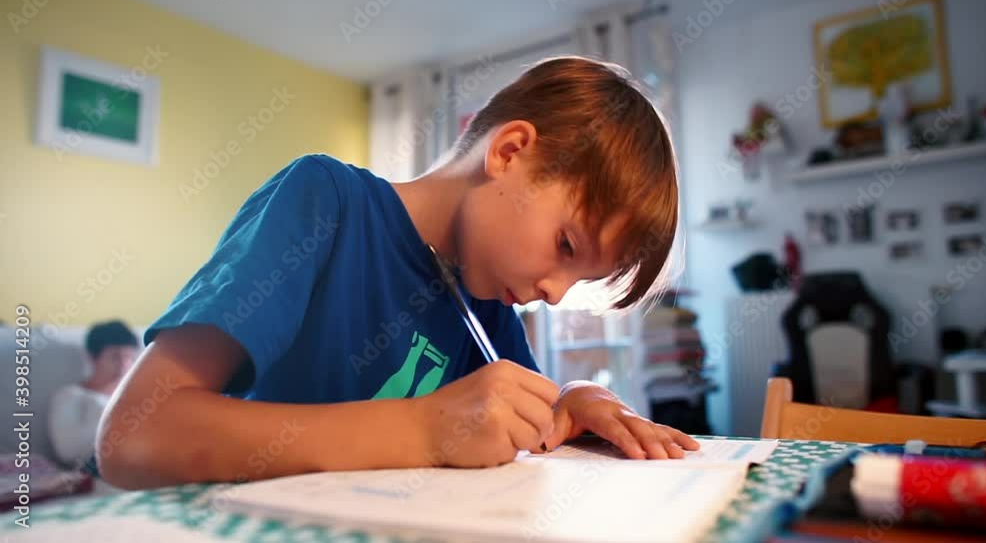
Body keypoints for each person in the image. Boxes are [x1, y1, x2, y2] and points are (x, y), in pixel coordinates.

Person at [98, 56, 698, 490]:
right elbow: (133, 435)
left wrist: (572, 400)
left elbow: (513, 434)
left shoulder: (487, 299)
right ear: (510, 152)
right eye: (566, 245)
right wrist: (423, 430)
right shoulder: (326, 203)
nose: (553, 293)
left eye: (580, 281)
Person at [49, 320, 138, 466]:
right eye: (115, 356)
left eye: (128, 357)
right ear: (92, 357)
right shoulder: (70, 396)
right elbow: (67, 451)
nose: (123, 365)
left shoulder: (141, 394)